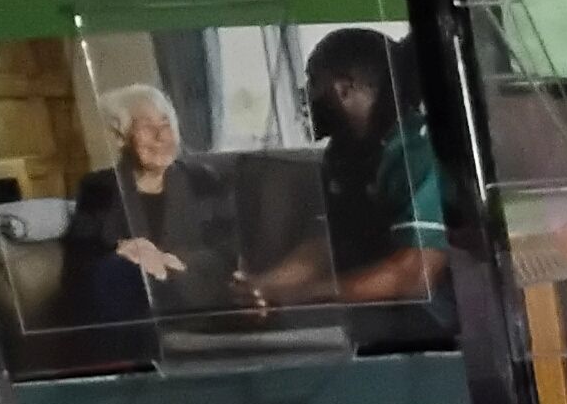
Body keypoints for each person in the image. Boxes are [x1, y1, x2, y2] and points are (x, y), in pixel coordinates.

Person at [239, 27, 449, 310]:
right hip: (371, 314)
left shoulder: (417, 150)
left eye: (313, 82)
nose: (308, 96)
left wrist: (302, 295)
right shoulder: (343, 154)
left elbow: (415, 275)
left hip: (434, 321)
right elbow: (328, 247)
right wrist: (263, 287)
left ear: (344, 88)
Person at [60, 85, 240, 327]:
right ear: (121, 137)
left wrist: (171, 260)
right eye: (146, 127)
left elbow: (231, 247)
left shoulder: (203, 180)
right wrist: (123, 251)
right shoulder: (99, 187)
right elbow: (78, 262)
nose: (161, 136)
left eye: (166, 125)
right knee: (117, 273)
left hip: (194, 296)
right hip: (129, 303)